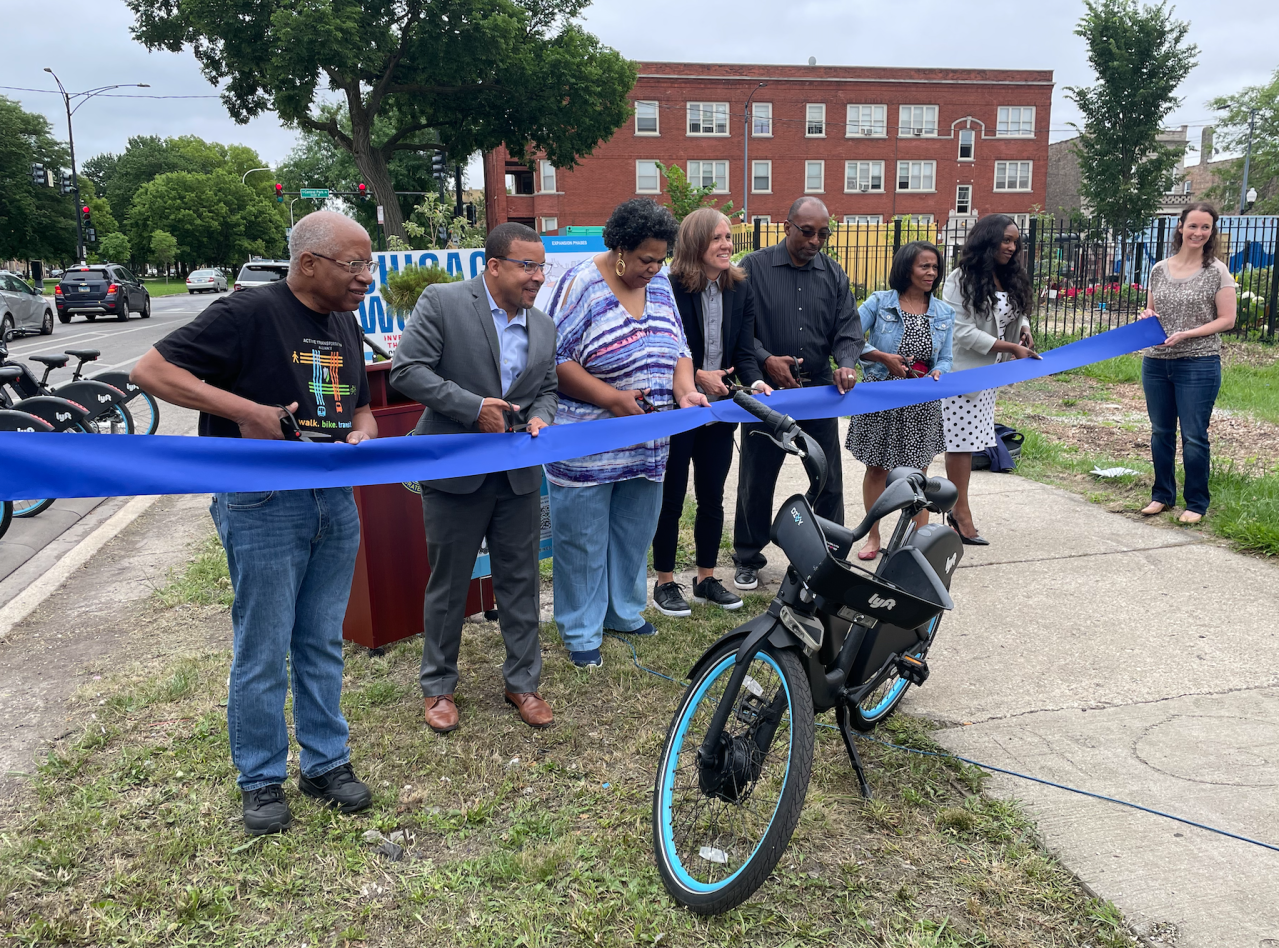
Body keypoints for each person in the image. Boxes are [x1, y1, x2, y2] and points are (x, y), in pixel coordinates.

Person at [131, 211, 378, 835]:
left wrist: (362, 431)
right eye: (354, 265)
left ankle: (326, 763)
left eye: (368, 264)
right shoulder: (247, 312)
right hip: (262, 501)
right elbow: (151, 371)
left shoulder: (345, 323)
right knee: (263, 646)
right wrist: (248, 411)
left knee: (321, 639)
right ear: (308, 264)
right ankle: (262, 780)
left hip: (333, 497)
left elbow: (363, 406)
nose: (365, 277)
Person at [389, 222, 560, 734]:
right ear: (493, 266)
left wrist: (543, 417)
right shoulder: (442, 302)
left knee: (521, 579)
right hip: (456, 473)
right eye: (526, 266)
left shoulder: (544, 326)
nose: (536, 277)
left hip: (518, 476)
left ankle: (522, 683)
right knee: (449, 582)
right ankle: (438, 688)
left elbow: (547, 387)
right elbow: (406, 370)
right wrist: (472, 408)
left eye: (541, 267)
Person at [545, 199, 710, 667]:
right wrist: (610, 398)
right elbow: (554, 360)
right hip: (587, 443)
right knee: (583, 540)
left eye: (661, 259)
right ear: (619, 248)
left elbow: (678, 347)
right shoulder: (580, 284)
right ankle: (581, 629)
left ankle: (624, 610)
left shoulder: (658, 287)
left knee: (634, 532)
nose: (655, 269)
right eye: (645, 259)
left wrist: (684, 393)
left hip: (647, 441)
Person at [733, 196, 863, 590]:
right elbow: (738, 332)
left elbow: (849, 328)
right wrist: (766, 358)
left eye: (823, 233)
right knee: (757, 477)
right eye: (807, 232)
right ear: (785, 225)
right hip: (767, 393)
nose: (815, 241)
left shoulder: (834, 273)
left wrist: (845, 361)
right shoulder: (753, 268)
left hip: (819, 389)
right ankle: (748, 557)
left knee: (828, 476)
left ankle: (828, 555)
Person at [651, 208, 771, 617]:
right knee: (670, 495)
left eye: (728, 237)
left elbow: (744, 350)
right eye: (717, 238)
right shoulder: (668, 288)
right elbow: (664, 351)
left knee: (712, 496)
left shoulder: (741, 289)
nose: (726, 244)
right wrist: (698, 376)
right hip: (678, 405)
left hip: (720, 407)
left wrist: (754, 384)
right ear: (694, 243)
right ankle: (665, 582)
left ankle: (705, 578)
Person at [847, 241, 953, 559]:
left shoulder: (944, 312)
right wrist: (881, 356)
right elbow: (849, 336)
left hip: (921, 402)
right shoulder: (880, 303)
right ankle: (873, 536)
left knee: (918, 473)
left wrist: (938, 373)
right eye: (924, 266)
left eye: (935, 267)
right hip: (882, 396)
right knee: (877, 469)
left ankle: (917, 542)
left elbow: (946, 359)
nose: (931, 272)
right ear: (907, 268)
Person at [940, 213, 1041, 545]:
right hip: (963, 375)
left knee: (968, 445)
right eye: (1005, 240)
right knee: (960, 445)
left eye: (1015, 241)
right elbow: (960, 330)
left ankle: (957, 509)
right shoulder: (960, 278)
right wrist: (1009, 346)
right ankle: (959, 512)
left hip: (989, 376)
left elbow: (1016, 311)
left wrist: (1022, 331)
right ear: (987, 240)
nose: (1012, 247)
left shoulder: (1009, 276)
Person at [1138, 202, 1237, 524]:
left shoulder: (1217, 271)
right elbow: (1151, 311)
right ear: (1180, 227)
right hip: (1156, 362)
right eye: (1193, 226)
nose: (1198, 233)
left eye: (1205, 227)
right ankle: (1161, 496)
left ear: (1212, 232)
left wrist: (1189, 333)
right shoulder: (1158, 269)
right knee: (1161, 431)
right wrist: (1147, 316)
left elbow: (1227, 319)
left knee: (1194, 435)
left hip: (1198, 362)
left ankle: (1196, 502)